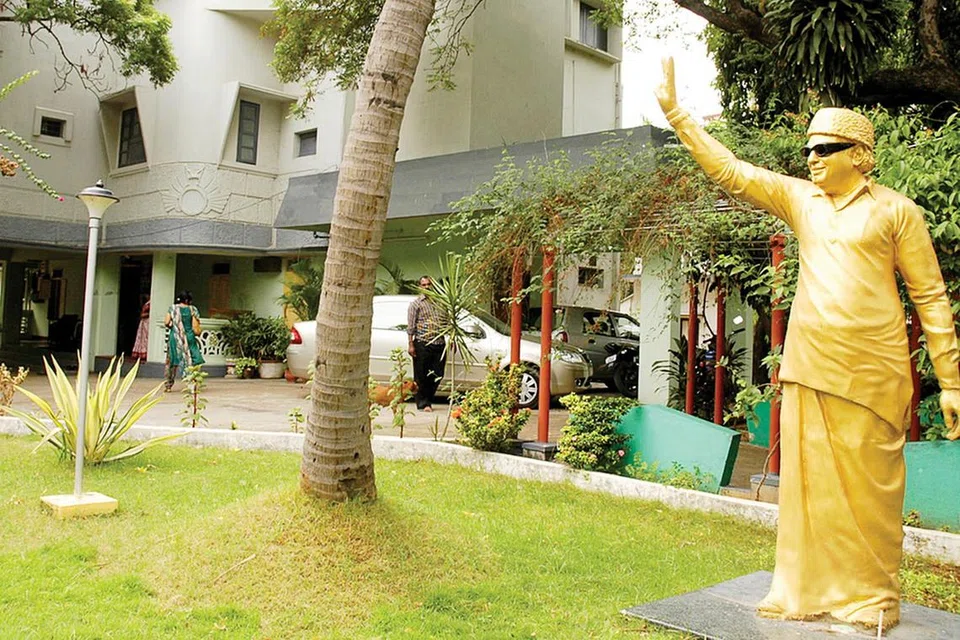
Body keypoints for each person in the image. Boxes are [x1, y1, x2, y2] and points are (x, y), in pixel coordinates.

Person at [655, 58, 960, 629]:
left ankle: (873, 594)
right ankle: (801, 588)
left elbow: (931, 297)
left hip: (873, 372)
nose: (812, 159)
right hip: (810, 363)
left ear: (859, 156)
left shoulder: (897, 212)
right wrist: (678, 116)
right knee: (808, 486)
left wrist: (951, 382)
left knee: (870, 489)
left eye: (825, 149)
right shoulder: (801, 201)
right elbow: (731, 171)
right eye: (809, 150)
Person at [407, 276, 446, 411]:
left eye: (429, 284)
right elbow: (411, 326)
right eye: (424, 285)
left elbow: (447, 322)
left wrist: (453, 339)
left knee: (438, 374)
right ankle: (424, 403)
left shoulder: (441, 303)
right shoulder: (416, 304)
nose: (427, 287)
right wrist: (411, 344)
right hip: (423, 343)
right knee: (421, 375)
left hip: (439, 343)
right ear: (420, 287)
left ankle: (428, 398)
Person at [163, 290, 205, 391]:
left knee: (171, 361)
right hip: (189, 338)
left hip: (175, 338)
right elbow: (195, 327)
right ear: (187, 300)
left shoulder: (172, 308)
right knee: (193, 360)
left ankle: (168, 385)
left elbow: (166, 322)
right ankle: (191, 384)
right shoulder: (192, 309)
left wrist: (174, 326)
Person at [130, 296, 150, 361]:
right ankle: (140, 352)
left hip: (147, 322)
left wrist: (145, 314)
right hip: (144, 322)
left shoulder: (150, 303)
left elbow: (146, 313)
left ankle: (145, 353)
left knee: (146, 338)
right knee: (142, 337)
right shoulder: (147, 303)